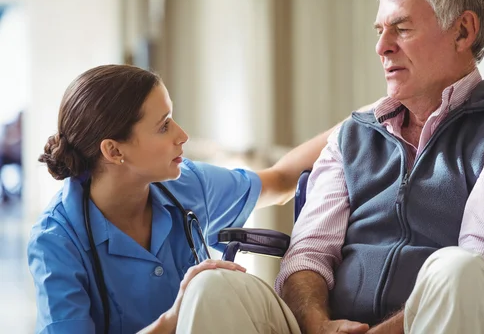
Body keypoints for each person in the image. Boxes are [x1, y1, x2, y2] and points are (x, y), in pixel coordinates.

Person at [274, 0, 484, 334]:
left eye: (402, 29)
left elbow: (477, 271)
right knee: (216, 286)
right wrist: (317, 325)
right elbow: (308, 255)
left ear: (463, 31)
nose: (382, 47)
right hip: (331, 328)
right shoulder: (353, 134)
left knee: (461, 269)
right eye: (380, 31)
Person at [27, 64, 335, 334]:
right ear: (114, 151)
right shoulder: (56, 240)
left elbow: (281, 180)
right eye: (163, 126)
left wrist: (363, 120)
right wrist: (173, 318)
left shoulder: (186, 185)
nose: (182, 135)